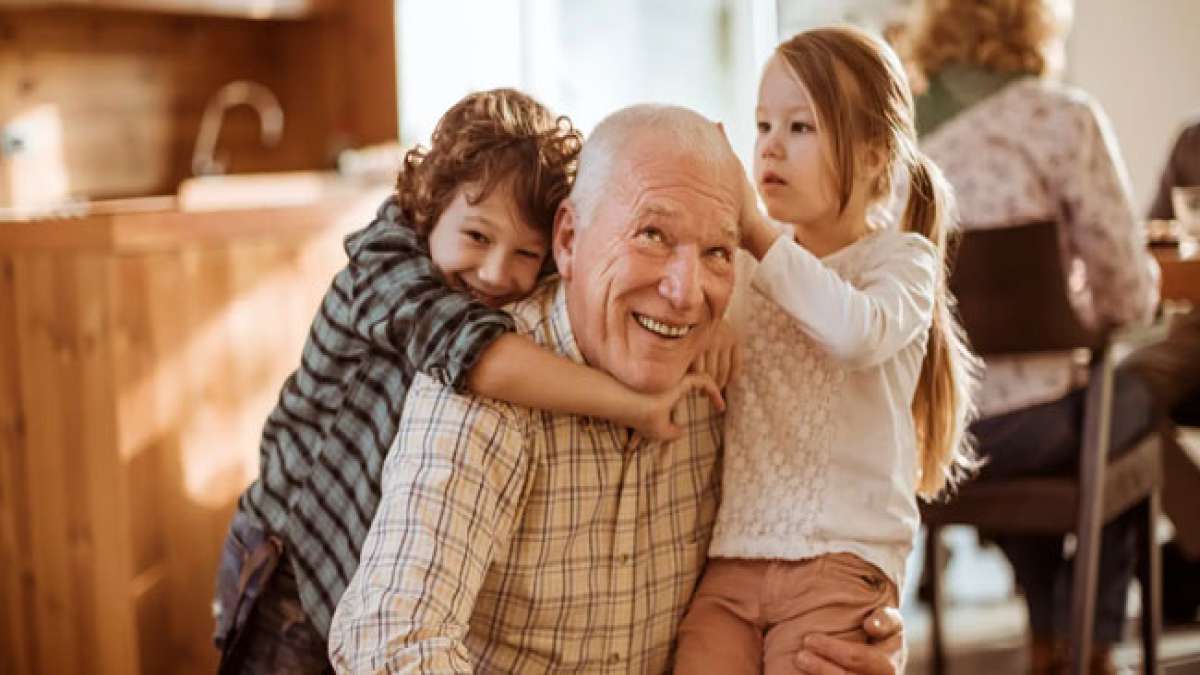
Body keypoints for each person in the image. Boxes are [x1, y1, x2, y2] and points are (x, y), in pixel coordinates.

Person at [328, 104, 905, 674]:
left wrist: (844, 631)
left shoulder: (731, 375)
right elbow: (393, 642)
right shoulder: (483, 378)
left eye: (717, 253)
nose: (684, 292)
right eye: (652, 235)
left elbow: (834, 515)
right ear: (569, 241)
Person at [212, 89, 727, 674]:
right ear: (428, 207)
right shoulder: (384, 265)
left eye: (524, 253)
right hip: (297, 555)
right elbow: (479, 357)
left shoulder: (521, 278)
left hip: (367, 558)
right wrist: (634, 405)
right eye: (477, 237)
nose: (495, 272)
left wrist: (721, 320)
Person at [672, 26, 979, 675]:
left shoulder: (901, 261)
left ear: (872, 155)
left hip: (840, 565)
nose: (770, 146)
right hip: (733, 561)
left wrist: (757, 231)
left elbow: (853, 333)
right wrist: (712, 327)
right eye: (761, 125)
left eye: (801, 127)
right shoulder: (753, 267)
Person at [905, 1, 1160, 672]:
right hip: (1036, 426)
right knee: (1126, 406)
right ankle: (1094, 641)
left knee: (1054, 422)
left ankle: (1049, 636)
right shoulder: (1061, 120)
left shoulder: (900, 133)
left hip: (931, 434)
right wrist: (1077, 315)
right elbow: (1129, 295)